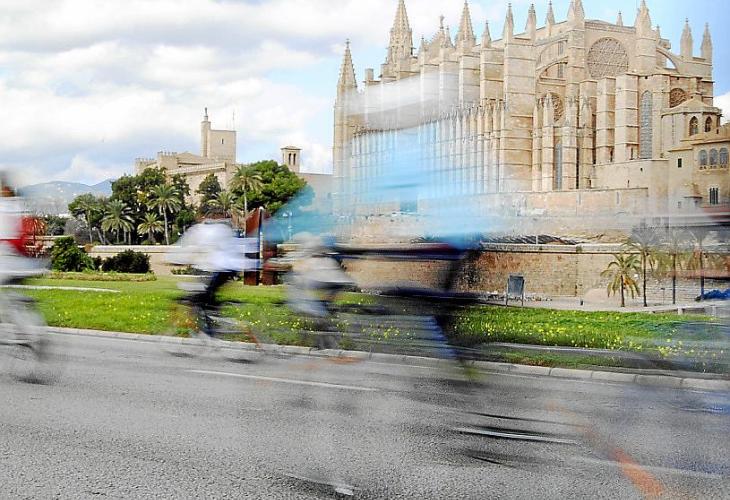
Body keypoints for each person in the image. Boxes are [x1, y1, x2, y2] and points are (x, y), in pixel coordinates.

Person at [167, 220, 258, 336]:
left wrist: (172, 260)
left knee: (201, 299)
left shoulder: (198, 230)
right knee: (207, 298)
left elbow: (184, 251)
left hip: (220, 268)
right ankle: (212, 320)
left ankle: (215, 328)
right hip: (230, 268)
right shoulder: (221, 227)